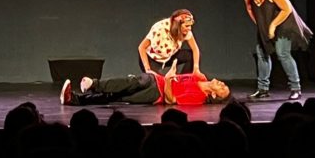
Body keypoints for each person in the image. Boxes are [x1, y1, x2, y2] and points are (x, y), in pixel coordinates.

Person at [242, 0, 312, 100]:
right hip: (266, 22)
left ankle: (296, 88)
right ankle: (262, 89)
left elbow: (287, 9)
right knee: (262, 52)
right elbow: (249, 8)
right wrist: (260, 24)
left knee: (282, 53)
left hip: (283, 22)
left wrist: (273, 26)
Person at [60, 59, 229, 106]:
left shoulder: (198, 98)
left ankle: (74, 99)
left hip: (157, 94)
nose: (222, 84)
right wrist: (168, 77)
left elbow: (171, 101)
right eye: (224, 85)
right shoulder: (201, 78)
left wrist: (169, 80)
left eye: (222, 89)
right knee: (133, 81)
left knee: (117, 96)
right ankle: (94, 84)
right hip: (156, 80)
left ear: (213, 94)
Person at [138, 9, 201, 75]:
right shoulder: (159, 29)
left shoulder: (185, 31)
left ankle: (182, 81)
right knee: (157, 82)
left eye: (190, 26)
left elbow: (195, 49)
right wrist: (148, 69)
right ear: (178, 25)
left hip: (169, 55)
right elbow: (141, 47)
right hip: (152, 58)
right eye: (187, 26)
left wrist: (196, 68)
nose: (190, 28)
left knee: (191, 56)